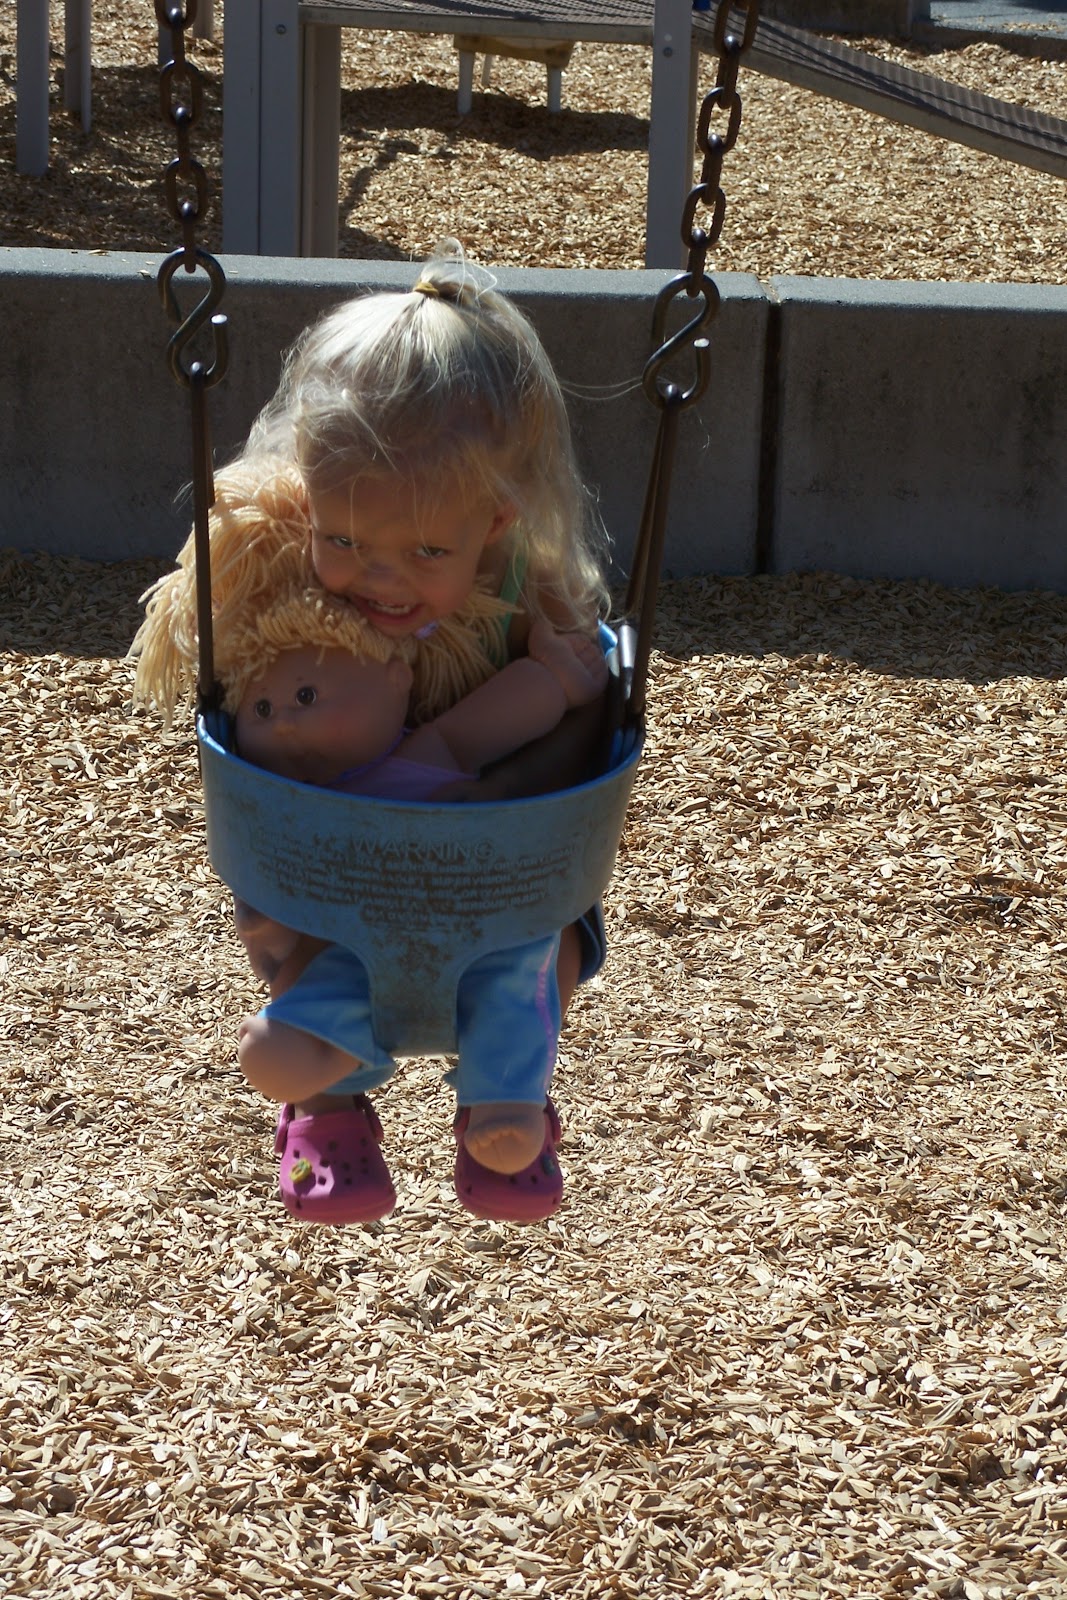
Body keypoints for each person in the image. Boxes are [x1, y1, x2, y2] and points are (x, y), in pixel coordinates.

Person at [132, 240, 612, 1226]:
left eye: (424, 550)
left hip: (494, 879)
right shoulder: (293, 583)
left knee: (538, 953)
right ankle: (325, 1103)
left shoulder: (526, 592)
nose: (378, 578)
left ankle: (505, 1106)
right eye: (342, 539)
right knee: (286, 929)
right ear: (308, 496)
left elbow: (586, 706)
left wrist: (567, 692)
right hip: (332, 877)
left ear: (495, 520)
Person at [222, 590, 606, 1223]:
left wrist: (557, 679)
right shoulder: (282, 805)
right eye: (261, 709)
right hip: (353, 954)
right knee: (304, 1008)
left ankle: (505, 1107)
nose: (283, 720)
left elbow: (487, 723)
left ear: (396, 680)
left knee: (518, 983)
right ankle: (317, 1073)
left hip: (489, 933)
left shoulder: (420, 759)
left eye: (305, 696)